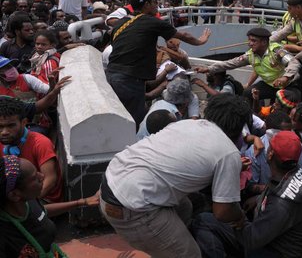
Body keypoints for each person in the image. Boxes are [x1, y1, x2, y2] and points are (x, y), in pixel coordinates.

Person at [99, 94, 252, 257]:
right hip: (131, 208)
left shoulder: (187, 124)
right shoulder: (228, 153)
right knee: (190, 254)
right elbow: (223, 212)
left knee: (185, 208)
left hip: (111, 182)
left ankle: (168, 245)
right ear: (239, 127)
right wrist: (241, 218)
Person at [192, 131, 302, 257]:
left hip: (271, 249)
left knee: (204, 221)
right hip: (270, 235)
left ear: (270, 154)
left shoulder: (281, 204)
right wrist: (259, 198)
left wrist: (239, 218)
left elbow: (251, 240)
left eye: (269, 145)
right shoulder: (293, 170)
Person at [106, 0, 211, 126]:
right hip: (129, 80)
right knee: (134, 121)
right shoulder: (151, 21)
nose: (157, 4)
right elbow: (183, 36)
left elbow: (104, 37)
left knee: (121, 117)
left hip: (111, 75)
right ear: (146, 5)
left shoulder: (122, 22)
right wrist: (201, 41)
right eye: (154, 1)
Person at [0, 155, 100, 257]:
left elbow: (41, 212)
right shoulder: (4, 235)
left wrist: (82, 202)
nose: (42, 176)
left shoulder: (27, 202)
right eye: (35, 178)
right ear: (14, 195)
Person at [195, 27, 299, 105]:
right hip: (270, 85)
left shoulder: (276, 51)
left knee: (292, 100)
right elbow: (229, 63)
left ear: (264, 42)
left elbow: (294, 63)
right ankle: (251, 118)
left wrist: (285, 77)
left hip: (288, 85)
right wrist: (208, 68)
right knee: (247, 93)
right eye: (249, 40)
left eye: (253, 41)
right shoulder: (250, 55)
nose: (250, 43)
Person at [0, 98, 63, 203]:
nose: (4, 132)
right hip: (17, 196)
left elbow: (50, 180)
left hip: (43, 198)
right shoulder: (3, 141)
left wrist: (30, 206)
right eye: (0, 127)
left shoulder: (40, 143)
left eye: (11, 125)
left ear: (24, 122)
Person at [244, 111, 302, 198]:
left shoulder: (294, 143)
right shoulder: (254, 152)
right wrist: (283, 191)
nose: (289, 136)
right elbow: (251, 186)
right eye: (285, 133)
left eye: (290, 132)